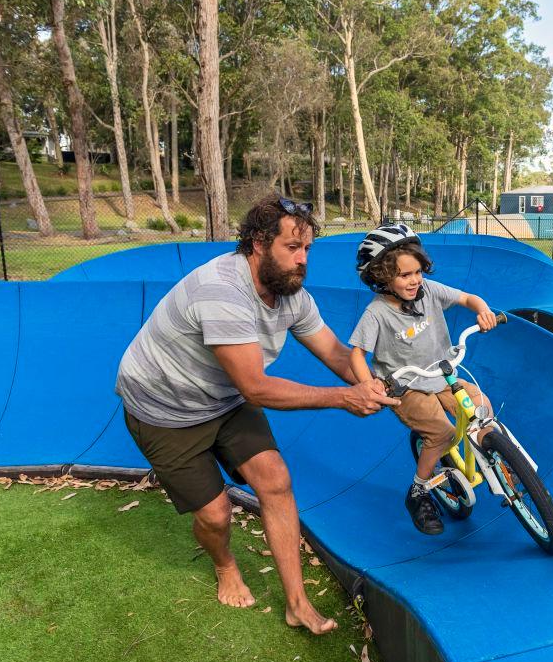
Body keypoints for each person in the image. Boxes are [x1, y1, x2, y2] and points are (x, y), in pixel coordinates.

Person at [115, 194, 398, 635]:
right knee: (215, 515)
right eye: (292, 248)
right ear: (258, 244)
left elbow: (337, 353)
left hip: (222, 399)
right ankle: (225, 566)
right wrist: (344, 398)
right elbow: (257, 387)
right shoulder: (222, 291)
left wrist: (384, 383)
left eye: (308, 249)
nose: (303, 260)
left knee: (276, 480)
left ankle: (297, 604)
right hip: (165, 408)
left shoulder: (291, 294)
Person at [348, 224, 498, 536]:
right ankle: (418, 492)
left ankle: (497, 456)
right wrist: (369, 385)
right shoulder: (376, 313)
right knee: (441, 433)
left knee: (481, 405)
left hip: (442, 374)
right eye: (404, 275)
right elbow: (356, 354)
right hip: (406, 387)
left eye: (417, 271)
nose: (415, 280)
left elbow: (468, 298)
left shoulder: (428, 291)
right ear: (381, 277)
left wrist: (482, 310)